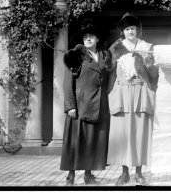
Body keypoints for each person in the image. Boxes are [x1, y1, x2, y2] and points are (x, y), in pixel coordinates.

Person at [105, 12, 159, 185]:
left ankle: (139, 172)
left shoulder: (146, 47)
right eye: (127, 29)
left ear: (137, 30)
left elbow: (154, 74)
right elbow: (108, 71)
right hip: (121, 92)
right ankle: (124, 172)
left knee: (139, 132)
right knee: (122, 133)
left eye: (133, 28)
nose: (130, 31)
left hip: (140, 91)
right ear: (123, 31)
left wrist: (147, 60)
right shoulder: (115, 48)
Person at [60, 25, 110, 185]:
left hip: (99, 105)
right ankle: (71, 175)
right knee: (75, 142)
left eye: (91, 36)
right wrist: (70, 106)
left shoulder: (104, 56)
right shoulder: (75, 55)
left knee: (93, 141)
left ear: (97, 39)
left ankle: (88, 175)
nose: (88, 39)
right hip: (80, 106)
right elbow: (67, 83)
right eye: (85, 37)